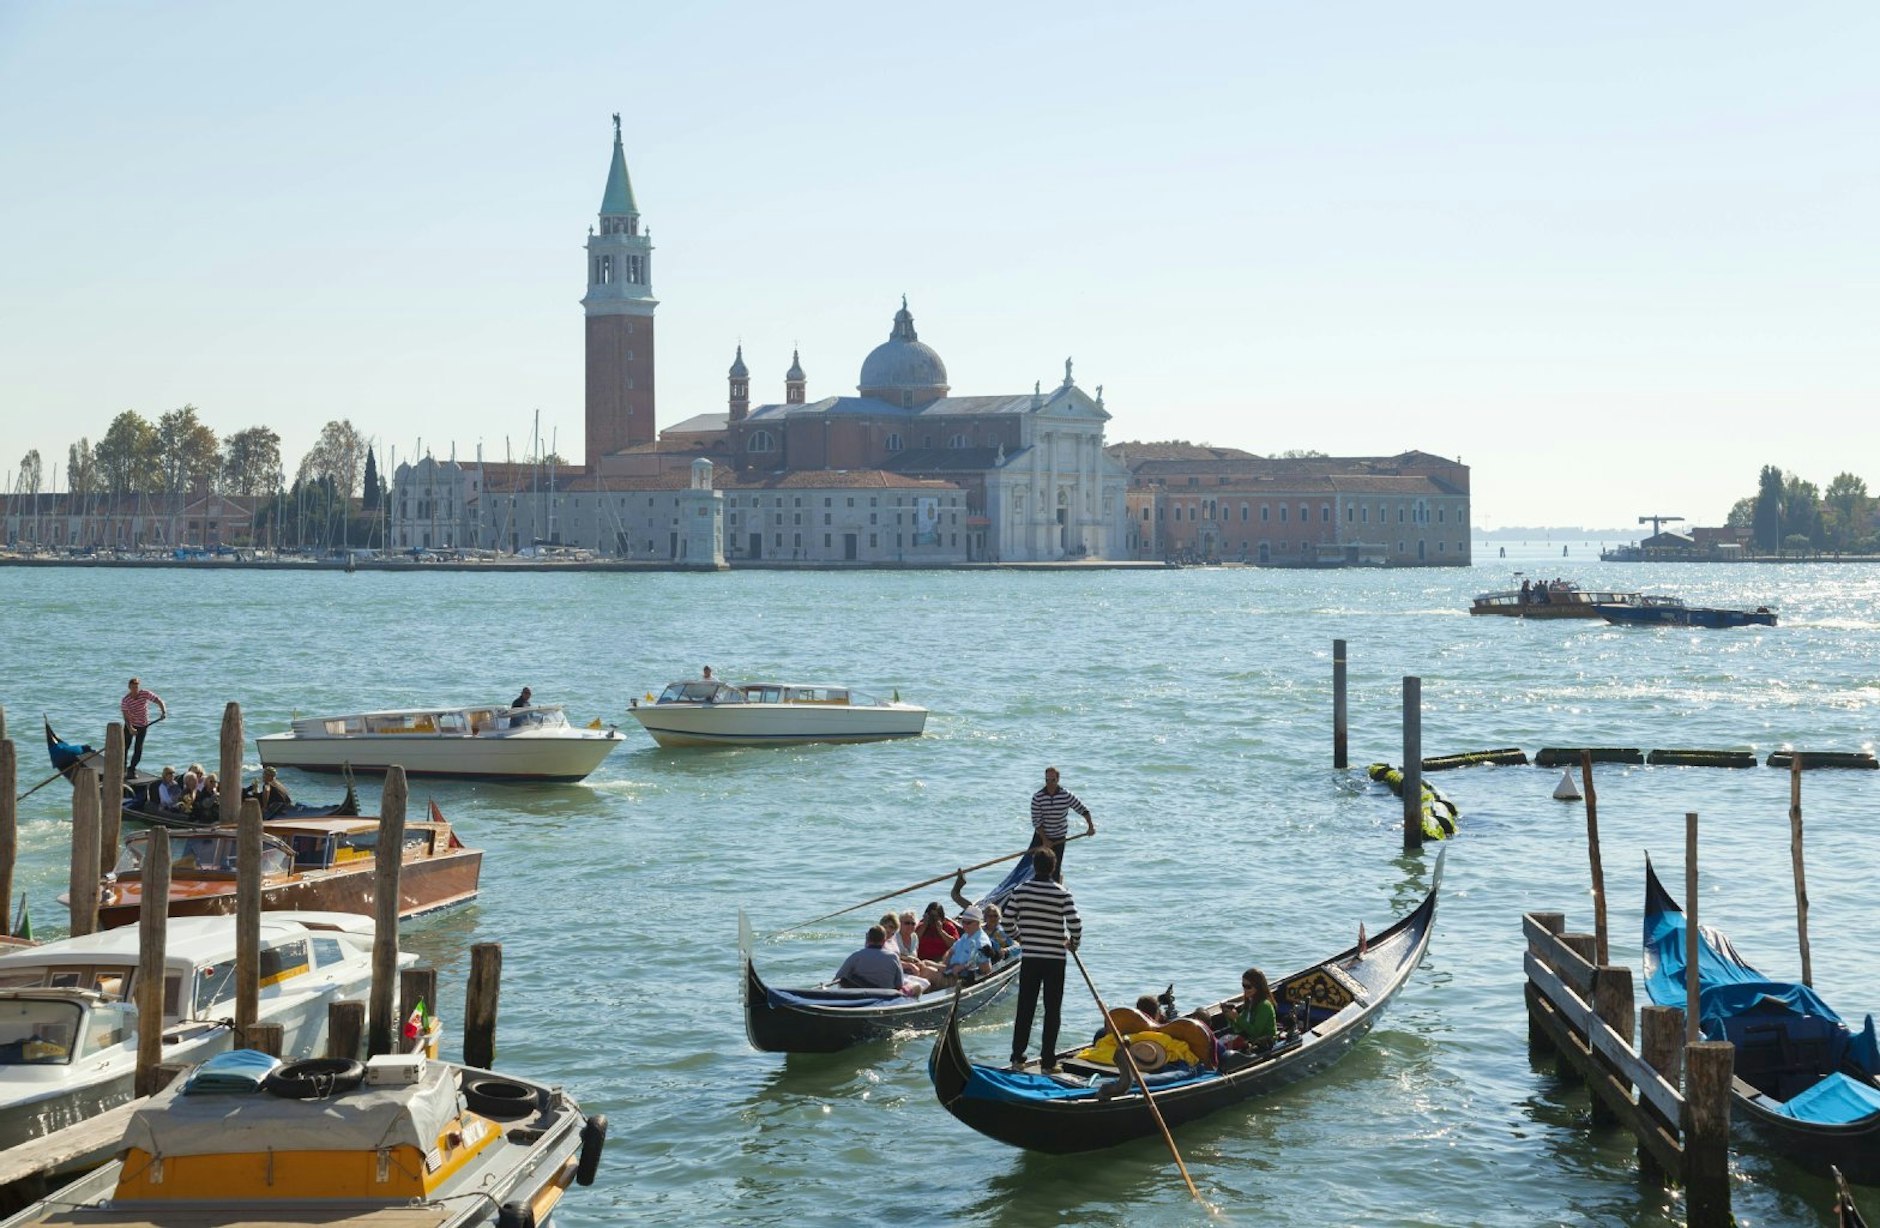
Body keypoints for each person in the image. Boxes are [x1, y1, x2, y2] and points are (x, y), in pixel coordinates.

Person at [1003, 848, 1082, 1071]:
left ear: (1034, 866)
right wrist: (1073, 943)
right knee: (1052, 1009)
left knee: (1025, 1008)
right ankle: (1048, 1062)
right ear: (1053, 867)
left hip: (1031, 958)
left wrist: (1022, 939)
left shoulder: (1020, 891)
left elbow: (1007, 922)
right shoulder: (1062, 893)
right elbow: (1075, 924)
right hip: (1055, 959)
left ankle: (1017, 1059)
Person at [1029, 767, 1094, 883]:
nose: (1049, 784)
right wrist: (1045, 840)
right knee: (1035, 867)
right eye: (1047, 780)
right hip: (1041, 837)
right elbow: (1036, 822)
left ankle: (1054, 891)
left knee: (1055, 870)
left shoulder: (1066, 795)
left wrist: (1090, 827)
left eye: (1052, 780)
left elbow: (1083, 810)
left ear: (1058, 779)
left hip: (1059, 838)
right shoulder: (1037, 797)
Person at [833, 925, 917, 995]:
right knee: (917, 987)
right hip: (886, 996)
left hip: (861, 995)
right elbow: (899, 984)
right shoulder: (893, 957)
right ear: (884, 941)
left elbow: (838, 978)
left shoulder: (856, 956)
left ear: (868, 938)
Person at [119, 678, 167, 775]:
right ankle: (122, 766)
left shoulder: (145, 693)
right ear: (129, 687)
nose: (135, 690)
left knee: (138, 749)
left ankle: (131, 769)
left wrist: (163, 712)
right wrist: (130, 728)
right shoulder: (126, 700)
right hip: (130, 725)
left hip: (143, 726)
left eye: (136, 687)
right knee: (125, 747)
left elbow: (158, 700)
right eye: (132, 687)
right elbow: (126, 717)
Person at [1222, 968, 1277, 1052]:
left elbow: (1255, 1032)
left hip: (1264, 1043)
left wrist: (1237, 1018)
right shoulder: (1249, 1003)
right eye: (1243, 986)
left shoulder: (1265, 1006)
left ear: (1258, 987)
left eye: (1248, 987)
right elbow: (1239, 1029)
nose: (1245, 989)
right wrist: (1230, 1017)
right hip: (1249, 1040)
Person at [945, 907, 995, 983]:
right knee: (924, 964)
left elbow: (986, 969)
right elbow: (951, 951)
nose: (964, 925)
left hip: (961, 977)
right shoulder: (965, 936)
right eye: (963, 922)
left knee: (928, 973)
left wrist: (961, 967)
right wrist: (946, 964)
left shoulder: (981, 943)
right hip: (950, 969)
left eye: (968, 923)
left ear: (978, 923)